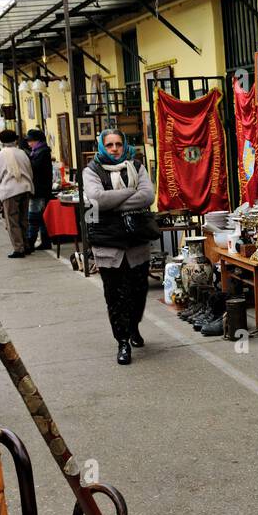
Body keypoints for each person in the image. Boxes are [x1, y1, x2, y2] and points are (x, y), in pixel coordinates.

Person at [83, 130, 155, 365]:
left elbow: (147, 196)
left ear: (124, 145)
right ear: (102, 147)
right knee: (115, 296)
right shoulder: (92, 170)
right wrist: (128, 193)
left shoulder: (136, 165)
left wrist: (112, 201)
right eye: (110, 145)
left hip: (136, 240)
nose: (115, 149)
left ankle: (133, 326)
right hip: (107, 242)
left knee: (138, 291)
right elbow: (95, 199)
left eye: (118, 144)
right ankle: (122, 341)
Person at [0, 129, 33, 258]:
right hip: (25, 188)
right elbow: (29, 171)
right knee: (24, 219)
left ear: (1, 141)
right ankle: (27, 245)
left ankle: (19, 249)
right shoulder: (22, 153)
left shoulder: (1, 155)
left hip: (10, 190)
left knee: (12, 221)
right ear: (16, 140)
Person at [25, 128, 54, 251]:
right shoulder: (40, 151)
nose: (29, 143)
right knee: (41, 216)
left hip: (39, 189)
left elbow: (36, 167)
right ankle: (45, 241)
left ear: (37, 141)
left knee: (33, 216)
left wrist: (27, 158)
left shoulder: (41, 152)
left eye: (31, 141)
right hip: (42, 188)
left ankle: (31, 241)